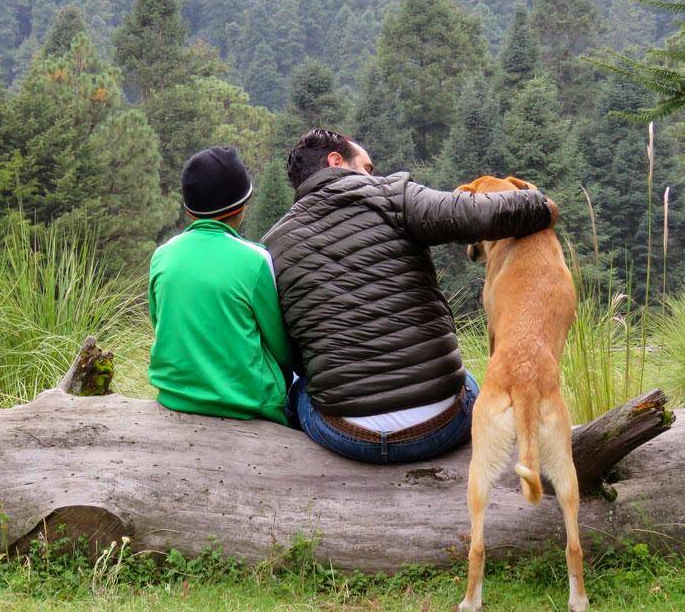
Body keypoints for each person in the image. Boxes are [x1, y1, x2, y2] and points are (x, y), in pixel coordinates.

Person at [262, 129, 557, 463]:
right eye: (366, 167)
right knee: (466, 379)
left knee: (299, 383)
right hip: (440, 426)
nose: (372, 175)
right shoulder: (391, 195)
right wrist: (542, 207)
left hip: (346, 435)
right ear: (335, 161)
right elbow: (477, 212)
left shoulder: (274, 244)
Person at [148, 146, 292, 424]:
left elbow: (160, 323)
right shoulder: (255, 259)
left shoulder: (162, 254)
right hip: (245, 403)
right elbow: (279, 346)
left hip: (174, 395)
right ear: (241, 208)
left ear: (189, 212)